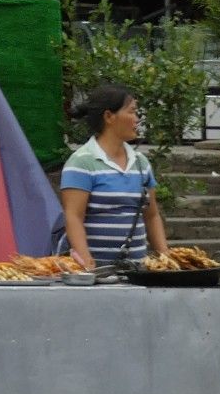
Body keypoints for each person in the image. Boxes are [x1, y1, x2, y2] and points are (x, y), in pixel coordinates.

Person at [60, 84, 168, 271]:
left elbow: (151, 216)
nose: (137, 119)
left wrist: (166, 258)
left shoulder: (141, 163)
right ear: (109, 116)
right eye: (132, 112)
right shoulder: (81, 162)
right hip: (98, 274)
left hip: (137, 271)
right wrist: (86, 262)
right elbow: (74, 217)